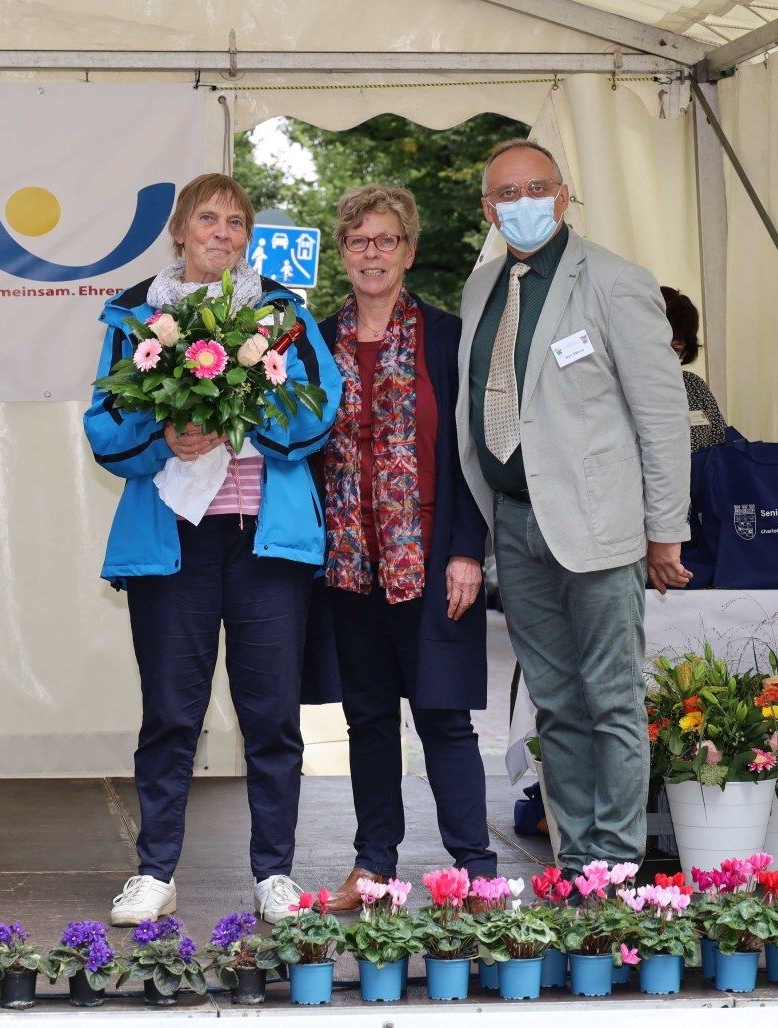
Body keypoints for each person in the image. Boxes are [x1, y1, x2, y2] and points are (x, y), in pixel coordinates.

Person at [83, 173, 342, 925]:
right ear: (179, 230)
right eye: (208, 218)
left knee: (271, 718)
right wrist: (164, 433)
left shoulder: (283, 315)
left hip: (265, 542)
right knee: (170, 714)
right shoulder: (136, 317)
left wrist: (244, 420)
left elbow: (322, 406)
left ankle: (275, 874)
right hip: (175, 544)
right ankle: (155, 872)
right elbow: (103, 428)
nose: (222, 233)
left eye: (236, 221)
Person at [456, 139, 689, 871]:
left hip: (600, 527)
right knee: (553, 705)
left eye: (535, 189)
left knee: (612, 702)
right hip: (516, 524)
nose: (520, 204)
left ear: (563, 195)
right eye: (504, 195)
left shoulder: (617, 282)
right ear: (488, 208)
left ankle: (617, 867)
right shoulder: (481, 285)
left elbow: (661, 416)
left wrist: (666, 533)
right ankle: (577, 858)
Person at [309, 185, 497, 911]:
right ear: (343, 252)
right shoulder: (313, 342)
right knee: (368, 718)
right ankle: (372, 866)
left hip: (431, 555)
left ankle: (475, 870)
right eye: (359, 240)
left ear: (409, 250)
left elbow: (469, 453)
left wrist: (465, 549)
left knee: (445, 715)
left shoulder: (448, 338)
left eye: (386, 240)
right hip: (347, 561)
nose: (372, 253)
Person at [661, 285, 726, 451]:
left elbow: (721, 441)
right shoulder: (621, 388)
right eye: (659, 346)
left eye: (675, 349)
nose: (664, 357)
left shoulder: (693, 385)